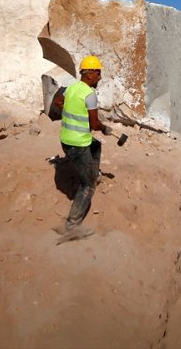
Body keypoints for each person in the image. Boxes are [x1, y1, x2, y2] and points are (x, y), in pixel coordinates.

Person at [53, 54, 112, 241]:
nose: (100, 77)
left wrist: (73, 110)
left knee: (96, 146)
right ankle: (71, 226)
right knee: (88, 186)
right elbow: (95, 125)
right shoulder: (89, 94)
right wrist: (105, 127)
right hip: (77, 145)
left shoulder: (72, 88)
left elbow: (58, 102)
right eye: (98, 73)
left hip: (66, 140)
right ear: (90, 74)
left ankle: (94, 173)